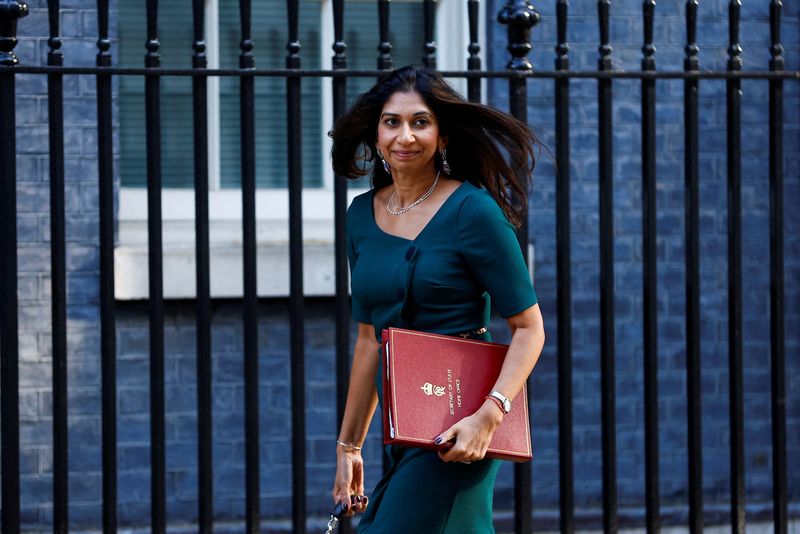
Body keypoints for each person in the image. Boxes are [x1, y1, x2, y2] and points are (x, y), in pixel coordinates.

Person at [329, 65, 545, 532]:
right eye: (392, 122)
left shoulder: (474, 211)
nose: (405, 135)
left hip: (460, 424)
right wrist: (349, 448)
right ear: (375, 134)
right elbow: (369, 340)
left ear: (443, 137)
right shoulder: (361, 216)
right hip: (401, 426)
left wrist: (490, 417)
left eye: (420, 122)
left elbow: (529, 328)